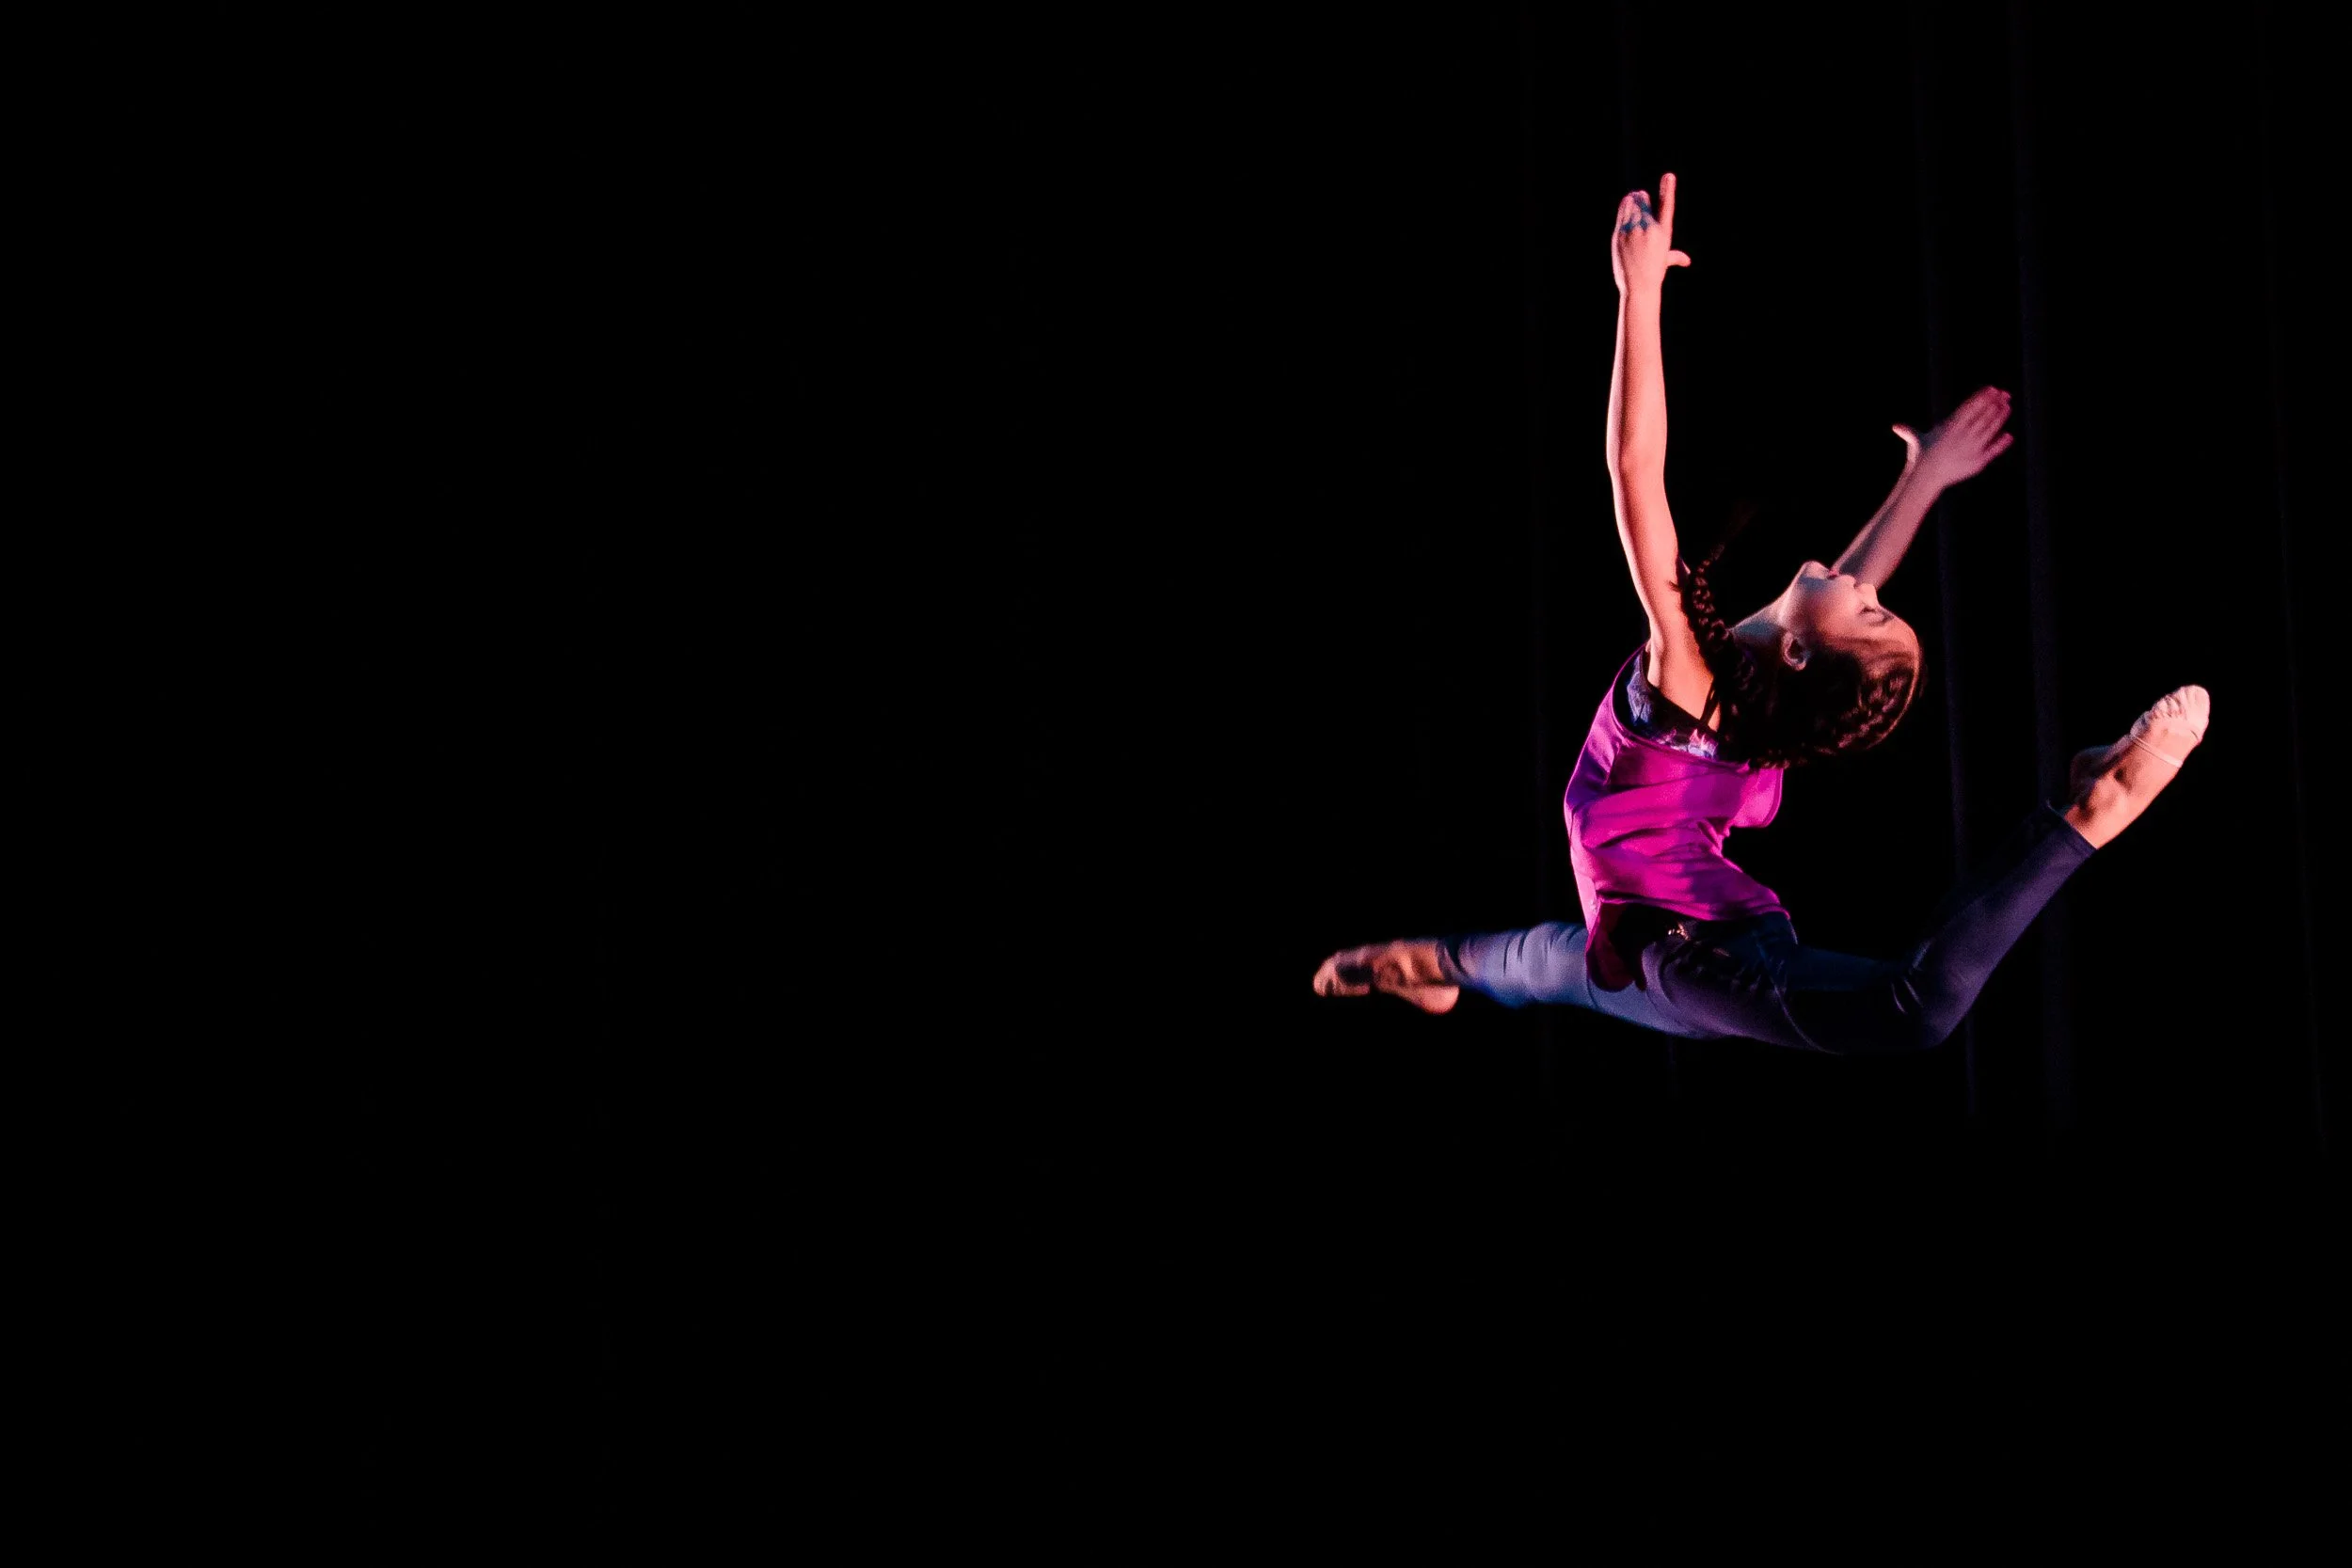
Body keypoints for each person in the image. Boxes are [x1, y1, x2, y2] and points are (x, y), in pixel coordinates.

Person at [1311, 173, 2207, 1053]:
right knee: (1542, 960)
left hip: (1678, 953)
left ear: (1807, 655)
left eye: (1867, 609)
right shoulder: (1756, 689)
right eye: (1878, 600)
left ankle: (2088, 807)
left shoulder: (1691, 680)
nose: (1865, 582)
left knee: (1915, 1012)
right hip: (1703, 922)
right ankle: (1419, 965)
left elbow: (1636, 473)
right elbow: (1852, 581)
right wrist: (1923, 477)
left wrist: (1640, 294)